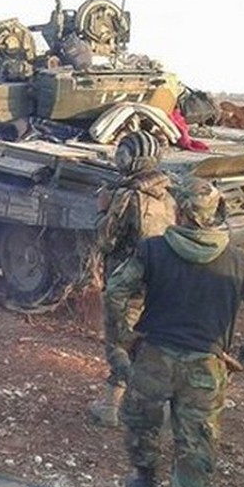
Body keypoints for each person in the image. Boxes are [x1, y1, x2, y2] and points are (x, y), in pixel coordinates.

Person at [103, 176, 244, 487]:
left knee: (141, 429)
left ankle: (143, 486)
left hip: (153, 359)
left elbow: (115, 291)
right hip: (206, 368)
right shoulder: (240, 262)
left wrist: (124, 337)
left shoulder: (153, 250)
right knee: (196, 449)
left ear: (182, 213)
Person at [89, 131, 177, 427]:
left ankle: (112, 408)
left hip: (127, 283)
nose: (119, 159)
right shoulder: (169, 195)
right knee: (148, 346)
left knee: (118, 343)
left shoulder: (127, 196)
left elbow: (105, 240)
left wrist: (102, 210)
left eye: (123, 154)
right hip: (159, 283)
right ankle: (158, 407)